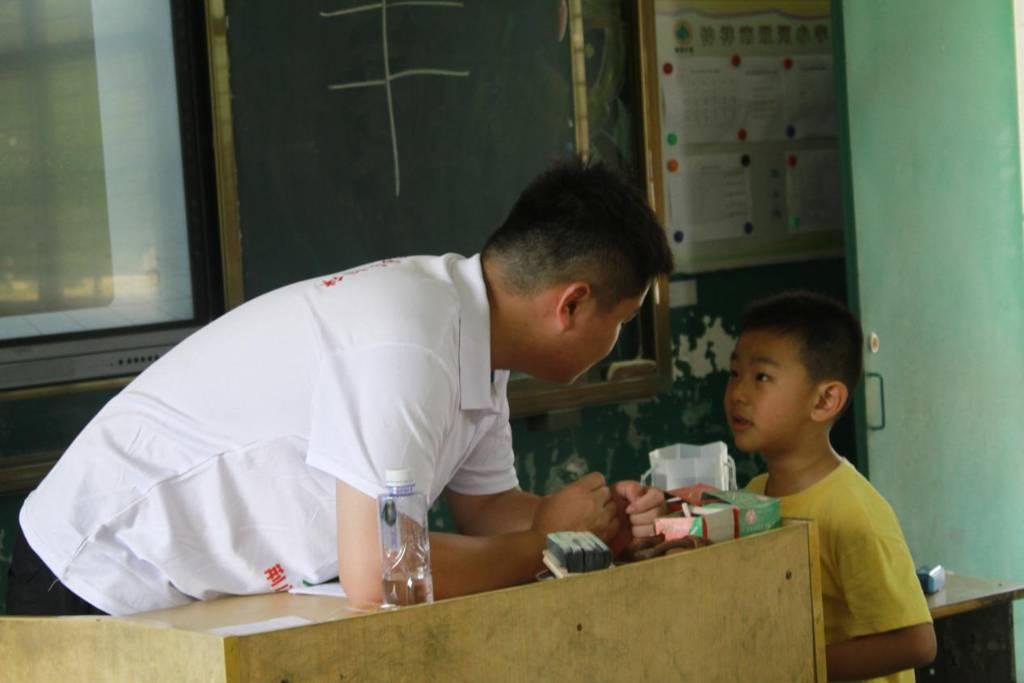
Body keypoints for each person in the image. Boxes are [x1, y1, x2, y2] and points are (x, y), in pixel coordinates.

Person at [7, 157, 672, 616]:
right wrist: (548, 543)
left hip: (183, 586)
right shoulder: (413, 343)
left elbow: (489, 508)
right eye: (624, 320)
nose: (618, 337)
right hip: (96, 569)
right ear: (573, 304)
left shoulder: (476, 333)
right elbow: (382, 573)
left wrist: (597, 519)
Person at [726, 291, 936, 682]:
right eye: (734, 373)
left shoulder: (853, 510)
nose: (738, 393)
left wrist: (798, 664)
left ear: (825, 400)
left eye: (762, 377)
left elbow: (917, 642)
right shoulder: (756, 493)